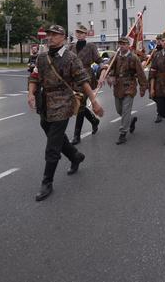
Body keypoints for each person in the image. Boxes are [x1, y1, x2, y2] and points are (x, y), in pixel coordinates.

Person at [26, 25, 104, 201]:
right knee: (50, 131)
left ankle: (47, 182)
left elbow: (83, 81)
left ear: (63, 37)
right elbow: (34, 77)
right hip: (45, 102)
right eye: (49, 34)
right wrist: (31, 93)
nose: (50, 37)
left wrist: (94, 101)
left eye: (54, 35)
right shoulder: (42, 57)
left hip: (63, 102)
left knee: (53, 144)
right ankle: (75, 156)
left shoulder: (70, 58)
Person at [106, 37, 147, 145]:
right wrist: (109, 76)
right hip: (118, 86)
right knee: (119, 110)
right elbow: (109, 68)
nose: (122, 46)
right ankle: (131, 120)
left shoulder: (133, 58)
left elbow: (141, 73)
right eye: (120, 44)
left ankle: (123, 133)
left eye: (124, 44)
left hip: (129, 85)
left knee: (125, 109)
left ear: (128, 45)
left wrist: (143, 87)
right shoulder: (115, 57)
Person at [68, 25, 101, 144]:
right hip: (73, 79)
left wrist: (104, 66)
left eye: (82, 33)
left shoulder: (91, 46)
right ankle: (94, 121)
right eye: (78, 32)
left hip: (86, 77)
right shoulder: (71, 46)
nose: (80, 34)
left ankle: (77, 136)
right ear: (76, 34)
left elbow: (98, 60)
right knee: (78, 104)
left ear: (86, 34)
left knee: (80, 105)